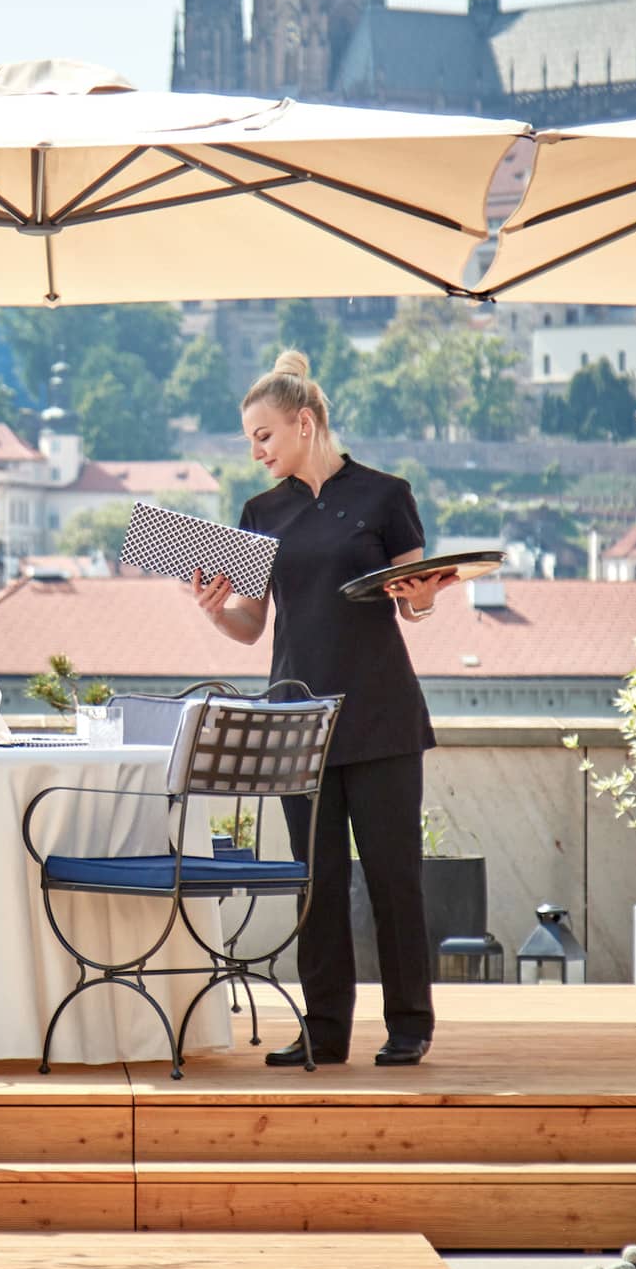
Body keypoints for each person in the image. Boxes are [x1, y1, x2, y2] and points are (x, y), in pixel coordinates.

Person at [192, 348, 454, 1068]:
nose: (255, 451)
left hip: (382, 717)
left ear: (304, 422)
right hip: (296, 724)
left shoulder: (386, 495)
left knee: (395, 876)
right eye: (250, 439)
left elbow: (416, 603)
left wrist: (424, 595)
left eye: (264, 436)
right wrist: (217, 612)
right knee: (318, 880)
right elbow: (252, 624)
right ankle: (326, 1028)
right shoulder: (259, 512)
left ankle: (409, 1024)